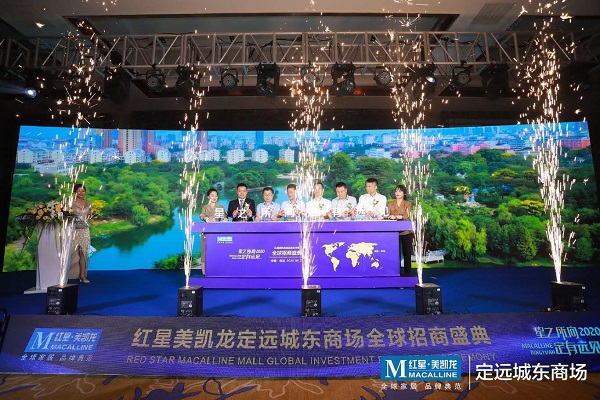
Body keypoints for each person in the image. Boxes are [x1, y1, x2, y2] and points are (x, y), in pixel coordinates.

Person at [388, 184, 413, 276]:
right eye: (396, 191)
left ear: (404, 193)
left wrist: (396, 216)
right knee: (394, 253)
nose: (397, 193)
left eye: (400, 191)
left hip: (406, 231)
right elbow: (388, 215)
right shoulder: (390, 203)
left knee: (407, 253)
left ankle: (408, 272)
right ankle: (395, 272)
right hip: (394, 232)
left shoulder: (408, 204)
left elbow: (406, 216)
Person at [69, 183, 92, 283]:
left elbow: (89, 216)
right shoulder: (70, 202)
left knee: (83, 253)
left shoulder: (88, 203)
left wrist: (91, 219)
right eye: (79, 190)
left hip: (85, 230)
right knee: (72, 252)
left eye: (83, 191)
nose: (81, 193)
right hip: (73, 230)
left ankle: (82, 275)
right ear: (75, 191)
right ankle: (68, 274)